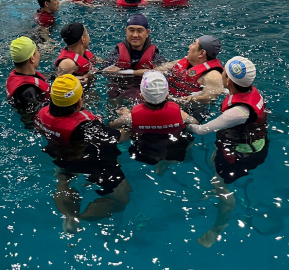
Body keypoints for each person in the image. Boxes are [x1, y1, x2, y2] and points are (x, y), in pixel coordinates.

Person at [186, 56, 269, 247]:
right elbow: (229, 94)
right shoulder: (249, 91)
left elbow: (201, 130)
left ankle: (219, 226)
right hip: (253, 144)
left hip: (242, 155)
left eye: (223, 72)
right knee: (213, 163)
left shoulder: (238, 111)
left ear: (229, 80)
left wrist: (181, 119)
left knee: (220, 184)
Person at [34, 75, 131, 233]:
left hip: (60, 155)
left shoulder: (43, 113)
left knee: (62, 182)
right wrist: (130, 126)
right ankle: (82, 217)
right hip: (88, 160)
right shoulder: (85, 126)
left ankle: (68, 217)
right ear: (79, 102)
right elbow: (116, 138)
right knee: (122, 199)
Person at [109, 71, 198, 168]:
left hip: (143, 148)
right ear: (167, 94)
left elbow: (111, 125)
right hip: (173, 146)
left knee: (124, 130)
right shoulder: (181, 114)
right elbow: (195, 123)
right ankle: (165, 164)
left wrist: (125, 113)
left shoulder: (130, 117)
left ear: (141, 96)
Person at [162, 35, 224, 102]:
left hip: (192, 111)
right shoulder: (181, 63)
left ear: (201, 53)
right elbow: (157, 70)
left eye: (194, 44)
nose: (190, 46)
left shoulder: (213, 76)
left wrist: (192, 99)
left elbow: (210, 97)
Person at [101, 14, 166, 76]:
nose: (135, 35)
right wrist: (135, 72)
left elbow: (167, 67)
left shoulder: (153, 55)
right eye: (131, 30)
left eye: (140, 31)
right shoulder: (117, 53)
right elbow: (102, 71)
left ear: (147, 33)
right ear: (126, 31)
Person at [6, 36, 50, 126]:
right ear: (32, 58)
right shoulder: (28, 91)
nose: (39, 54)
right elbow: (34, 116)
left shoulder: (18, 75)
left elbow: (36, 79)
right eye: (37, 52)